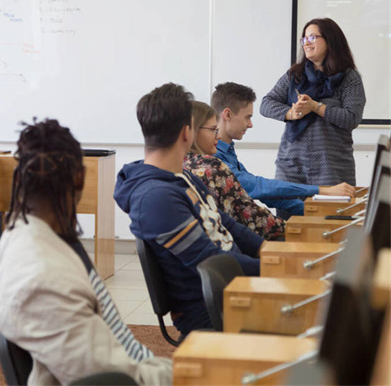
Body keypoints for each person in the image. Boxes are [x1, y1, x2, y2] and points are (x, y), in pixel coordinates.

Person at [0, 119, 172, 385]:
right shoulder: (44, 278)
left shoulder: (20, 233)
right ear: (79, 178)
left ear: (19, 178)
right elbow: (114, 378)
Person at [114, 83, 262, 337]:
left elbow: (223, 221)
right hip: (212, 308)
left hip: (232, 289)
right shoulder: (156, 198)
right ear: (187, 132)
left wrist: (268, 251)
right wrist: (274, 269)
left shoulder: (181, 177)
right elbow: (211, 263)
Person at [212, 82, 355, 218]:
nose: (250, 125)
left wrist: (316, 211)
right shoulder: (212, 156)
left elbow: (266, 194)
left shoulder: (227, 151)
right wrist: (321, 190)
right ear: (228, 115)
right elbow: (258, 186)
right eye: (247, 117)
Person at [260, 17, 366, 186]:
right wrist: (291, 113)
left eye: (312, 38)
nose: (306, 43)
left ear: (330, 40)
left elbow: (351, 118)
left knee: (327, 213)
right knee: (287, 212)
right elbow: (266, 104)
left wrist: (316, 107)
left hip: (331, 168)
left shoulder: (349, 77)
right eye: (304, 39)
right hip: (291, 166)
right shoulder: (295, 74)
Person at [183, 101, 286, 241]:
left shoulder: (180, 166)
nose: (218, 136)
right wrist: (292, 227)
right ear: (192, 131)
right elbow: (250, 215)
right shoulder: (210, 166)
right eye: (213, 130)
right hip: (231, 249)